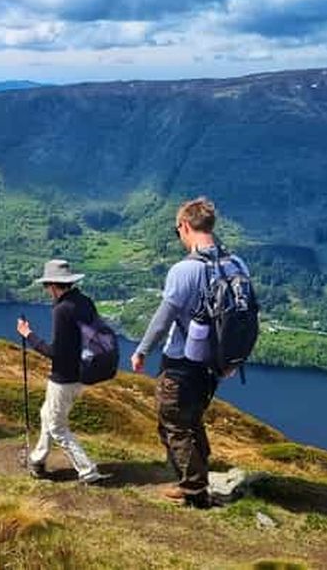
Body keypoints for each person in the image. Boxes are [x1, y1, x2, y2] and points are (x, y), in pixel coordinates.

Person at [131, 197, 246, 509]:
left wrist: (142, 350)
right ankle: (198, 476)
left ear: (184, 226)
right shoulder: (236, 264)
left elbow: (163, 319)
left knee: (173, 423)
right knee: (192, 419)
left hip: (181, 363)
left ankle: (193, 489)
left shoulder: (185, 270)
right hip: (214, 366)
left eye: (177, 230)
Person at [16, 259, 108, 483]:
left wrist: (28, 335)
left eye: (46, 286)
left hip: (64, 377)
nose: (47, 290)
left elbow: (55, 352)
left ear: (53, 285)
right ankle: (38, 459)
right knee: (46, 413)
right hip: (82, 371)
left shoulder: (62, 309)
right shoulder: (84, 302)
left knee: (57, 427)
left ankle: (87, 471)